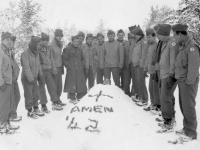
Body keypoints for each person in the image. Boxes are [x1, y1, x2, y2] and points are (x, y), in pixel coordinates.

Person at [173, 24, 200, 141]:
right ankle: (186, 128)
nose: (174, 37)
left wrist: (189, 83)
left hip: (188, 82)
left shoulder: (191, 47)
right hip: (182, 80)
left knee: (188, 107)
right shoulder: (182, 46)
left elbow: (193, 67)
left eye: (174, 34)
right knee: (183, 105)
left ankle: (191, 132)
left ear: (180, 34)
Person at [156, 24, 179, 132]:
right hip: (163, 74)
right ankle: (170, 117)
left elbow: (173, 61)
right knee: (168, 97)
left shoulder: (172, 43)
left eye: (159, 34)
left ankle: (168, 121)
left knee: (165, 98)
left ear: (165, 34)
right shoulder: (164, 43)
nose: (157, 36)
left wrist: (171, 76)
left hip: (168, 75)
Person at [38, 33, 63, 112]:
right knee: (41, 89)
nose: (46, 42)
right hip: (41, 71)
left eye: (47, 40)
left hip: (48, 70)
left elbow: (51, 59)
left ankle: (55, 102)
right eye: (44, 40)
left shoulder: (48, 48)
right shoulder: (38, 49)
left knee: (52, 87)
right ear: (41, 41)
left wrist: (54, 69)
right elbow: (36, 62)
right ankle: (43, 105)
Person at [21, 36, 45, 119]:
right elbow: (26, 68)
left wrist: (40, 75)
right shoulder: (25, 54)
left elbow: (38, 66)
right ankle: (29, 111)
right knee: (29, 94)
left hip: (34, 77)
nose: (39, 46)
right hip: (27, 78)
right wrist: (30, 79)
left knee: (36, 93)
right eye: (38, 44)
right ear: (34, 44)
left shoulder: (37, 53)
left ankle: (36, 108)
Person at [0, 32, 19, 133]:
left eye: (10, 40)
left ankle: (7, 123)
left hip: (9, 81)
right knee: (3, 104)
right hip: (4, 83)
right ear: (2, 40)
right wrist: (1, 83)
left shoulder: (8, 51)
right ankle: (2, 125)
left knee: (9, 104)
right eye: (7, 39)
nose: (9, 41)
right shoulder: (1, 51)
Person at [62, 35, 87, 102]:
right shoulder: (67, 49)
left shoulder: (79, 49)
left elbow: (82, 59)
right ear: (72, 41)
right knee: (71, 82)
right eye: (75, 41)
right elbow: (64, 59)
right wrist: (69, 66)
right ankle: (71, 97)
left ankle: (79, 96)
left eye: (78, 42)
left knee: (79, 82)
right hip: (71, 69)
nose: (76, 43)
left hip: (79, 69)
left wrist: (82, 65)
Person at [131, 26, 149, 106]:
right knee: (138, 82)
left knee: (141, 82)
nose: (135, 36)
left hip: (140, 65)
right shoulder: (137, 41)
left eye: (136, 35)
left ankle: (144, 99)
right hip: (136, 64)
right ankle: (140, 97)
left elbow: (144, 55)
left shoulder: (143, 41)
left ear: (139, 35)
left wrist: (141, 65)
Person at [143, 29, 159, 111]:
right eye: (146, 37)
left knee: (155, 90)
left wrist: (156, 71)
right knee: (151, 89)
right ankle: (153, 103)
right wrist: (145, 68)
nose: (147, 39)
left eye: (149, 37)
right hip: (151, 71)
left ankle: (157, 106)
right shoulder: (150, 46)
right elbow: (148, 58)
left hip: (155, 72)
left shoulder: (157, 45)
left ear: (154, 36)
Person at [49, 29, 65, 106]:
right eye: (58, 36)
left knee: (59, 85)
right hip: (54, 67)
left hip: (59, 66)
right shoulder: (51, 44)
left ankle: (58, 99)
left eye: (60, 36)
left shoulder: (59, 44)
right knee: (54, 85)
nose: (59, 37)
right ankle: (54, 101)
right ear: (55, 36)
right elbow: (50, 57)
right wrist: (53, 67)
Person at [9, 36, 22, 122]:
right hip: (8, 80)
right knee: (12, 98)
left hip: (14, 79)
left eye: (14, 42)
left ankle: (12, 113)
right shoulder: (4, 52)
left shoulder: (11, 53)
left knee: (17, 96)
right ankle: (12, 115)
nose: (13, 44)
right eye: (11, 42)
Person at [128, 25, 138, 100]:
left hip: (136, 62)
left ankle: (135, 93)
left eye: (132, 32)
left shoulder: (137, 39)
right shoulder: (132, 40)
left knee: (136, 79)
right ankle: (133, 93)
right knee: (133, 78)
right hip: (131, 62)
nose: (131, 33)